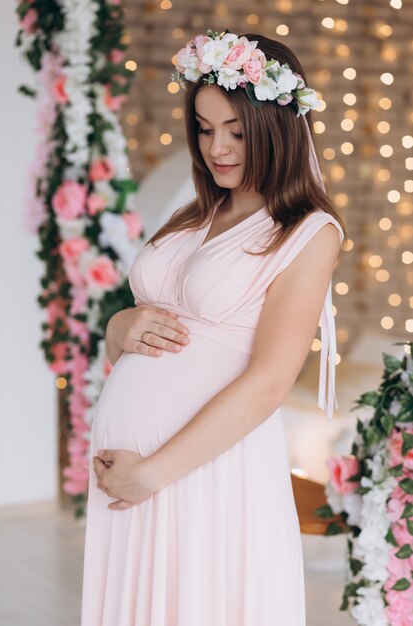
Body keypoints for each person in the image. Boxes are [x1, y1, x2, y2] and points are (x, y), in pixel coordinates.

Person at [81, 30, 348, 625]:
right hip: (136, 475)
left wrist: (149, 474)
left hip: (203, 471)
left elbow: (269, 383)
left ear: (275, 126)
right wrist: (118, 329)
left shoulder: (307, 233)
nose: (217, 148)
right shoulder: (196, 213)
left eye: (236, 130)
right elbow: (145, 332)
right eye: (204, 128)